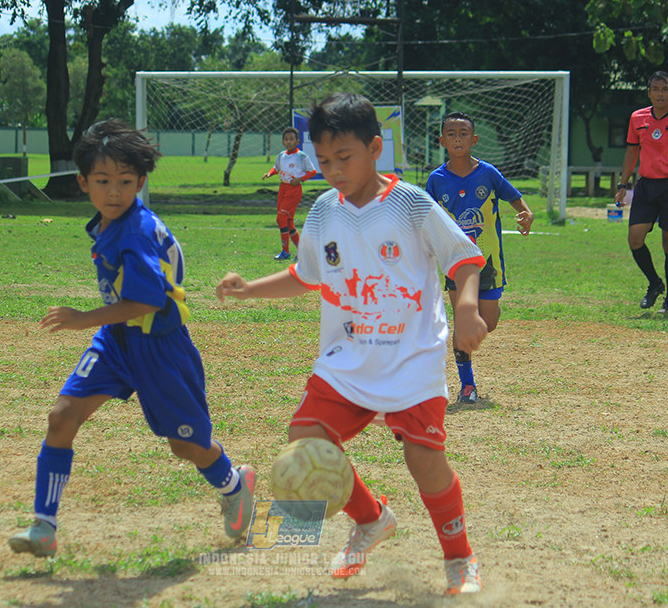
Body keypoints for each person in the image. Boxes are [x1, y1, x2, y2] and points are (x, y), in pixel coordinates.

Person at [217, 93, 489, 596]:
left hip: (411, 357)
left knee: (424, 462)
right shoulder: (322, 212)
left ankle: (459, 558)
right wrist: (252, 288)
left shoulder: (410, 202)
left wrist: (467, 307)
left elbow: (464, 258)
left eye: (345, 158)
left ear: (375, 149)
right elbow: (307, 275)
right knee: (306, 438)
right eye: (324, 161)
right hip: (347, 361)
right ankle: (371, 519)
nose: (334, 170)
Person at [8, 119, 255, 558]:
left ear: (141, 182)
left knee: (186, 445)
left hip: (161, 348)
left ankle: (234, 484)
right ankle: (44, 526)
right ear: (84, 182)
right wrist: (98, 326)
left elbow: (145, 302)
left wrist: (83, 318)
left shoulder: (136, 229)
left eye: (125, 182)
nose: (115, 192)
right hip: (117, 341)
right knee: (62, 417)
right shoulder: (110, 223)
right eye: (103, 181)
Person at [425, 111, 534, 404]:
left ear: (473, 139)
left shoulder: (488, 173)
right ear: (442, 141)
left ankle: (468, 334)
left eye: (463, 133)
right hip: (455, 262)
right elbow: (424, 214)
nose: (457, 138)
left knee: (489, 321)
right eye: (451, 134)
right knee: (463, 323)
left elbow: (514, 196)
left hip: (489, 262)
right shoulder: (436, 179)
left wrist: (525, 212)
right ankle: (467, 385)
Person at [615, 71, 668, 316]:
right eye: (656, 89)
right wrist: (623, 185)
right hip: (646, 186)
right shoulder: (637, 118)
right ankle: (654, 283)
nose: (660, 93)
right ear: (649, 92)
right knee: (635, 238)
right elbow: (631, 153)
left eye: (665, 89)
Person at [262, 126, 317, 260]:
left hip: (294, 190)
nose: (289, 142)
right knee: (288, 222)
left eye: (291, 139)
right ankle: (302, 253)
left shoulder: (301, 156)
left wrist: (300, 179)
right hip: (283, 188)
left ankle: (285, 251)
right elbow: (276, 168)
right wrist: (270, 173)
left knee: (280, 218)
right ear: (283, 142)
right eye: (286, 139)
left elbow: (313, 171)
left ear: (297, 141)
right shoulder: (281, 155)